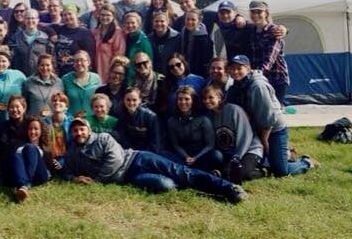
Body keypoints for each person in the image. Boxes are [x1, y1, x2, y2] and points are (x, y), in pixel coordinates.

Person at [63, 117, 248, 203]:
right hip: (129, 177)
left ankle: (229, 188)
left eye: (82, 129)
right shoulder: (72, 152)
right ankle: (210, 190)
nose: (79, 133)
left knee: (181, 172)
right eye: (75, 130)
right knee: (166, 185)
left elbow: (115, 160)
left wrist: (97, 181)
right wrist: (74, 178)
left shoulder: (103, 138)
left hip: (137, 159)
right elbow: (66, 169)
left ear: (89, 130)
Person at [225, 55, 317, 177]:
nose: (235, 71)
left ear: (248, 68)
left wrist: (264, 142)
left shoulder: (258, 86)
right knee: (264, 162)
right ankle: (286, 154)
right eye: (232, 68)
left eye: (239, 68)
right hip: (255, 129)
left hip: (273, 129)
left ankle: (306, 162)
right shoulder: (235, 86)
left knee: (281, 171)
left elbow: (268, 120)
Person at [202, 85, 267, 182]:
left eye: (211, 97)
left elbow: (245, 136)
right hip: (232, 154)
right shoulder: (209, 117)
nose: (207, 101)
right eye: (204, 98)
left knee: (240, 174)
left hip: (249, 150)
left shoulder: (234, 110)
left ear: (219, 98)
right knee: (231, 173)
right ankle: (223, 172)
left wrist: (237, 157)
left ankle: (265, 171)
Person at [165, 86, 220, 172]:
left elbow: (210, 145)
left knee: (217, 155)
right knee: (164, 154)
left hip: (201, 156)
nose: (183, 102)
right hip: (183, 157)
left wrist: (195, 158)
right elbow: (176, 145)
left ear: (193, 101)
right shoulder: (172, 121)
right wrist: (186, 157)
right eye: (180, 99)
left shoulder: (203, 119)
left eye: (187, 99)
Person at [248, 0, 290, 105]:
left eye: (259, 12)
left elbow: (270, 59)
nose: (256, 15)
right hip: (259, 78)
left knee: (274, 110)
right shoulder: (251, 30)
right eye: (253, 12)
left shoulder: (274, 31)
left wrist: (255, 74)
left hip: (276, 78)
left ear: (266, 13)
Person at [10, 117, 53, 202]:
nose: (33, 132)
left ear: (41, 131)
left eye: (36, 129)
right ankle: (23, 187)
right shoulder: (17, 144)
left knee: (30, 148)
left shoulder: (46, 149)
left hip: (39, 176)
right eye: (30, 129)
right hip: (20, 174)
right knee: (16, 155)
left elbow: (48, 168)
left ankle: (25, 185)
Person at [113, 87, 162, 154]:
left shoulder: (150, 116)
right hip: (130, 151)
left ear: (140, 100)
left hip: (148, 152)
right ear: (124, 100)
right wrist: (130, 150)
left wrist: (145, 154)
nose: (131, 103)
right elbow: (121, 135)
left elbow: (156, 141)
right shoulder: (122, 115)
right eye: (128, 100)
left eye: (134, 100)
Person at [53, 3, 96, 77]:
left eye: (70, 14)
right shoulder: (60, 29)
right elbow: (43, 26)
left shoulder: (85, 33)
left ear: (76, 15)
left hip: (77, 72)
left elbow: (90, 56)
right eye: (64, 15)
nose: (67, 17)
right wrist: (52, 33)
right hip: (61, 72)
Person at [9, 9, 54, 77]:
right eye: (28, 18)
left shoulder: (45, 38)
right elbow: (10, 58)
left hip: (39, 77)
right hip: (19, 76)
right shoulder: (15, 38)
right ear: (24, 20)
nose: (30, 21)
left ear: (38, 20)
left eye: (33, 18)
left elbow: (52, 60)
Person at [0, 95, 29, 179]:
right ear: (8, 109)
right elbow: (3, 147)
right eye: (11, 107)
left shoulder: (30, 124)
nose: (14, 110)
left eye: (17, 107)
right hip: (12, 160)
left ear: (24, 108)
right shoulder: (4, 126)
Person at [158, 53, 205, 118]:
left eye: (178, 64)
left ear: (184, 63)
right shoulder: (167, 83)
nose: (175, 68)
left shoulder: (198, 80)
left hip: (197, 118)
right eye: (171, 67)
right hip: (176, 120)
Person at [61, 50, 101, 118]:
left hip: (92, 119)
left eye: (82, 60)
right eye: (76, 61)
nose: (79, 63)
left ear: (88, 62)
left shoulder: (96, 78)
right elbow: (62, 100)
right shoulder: (66, 79)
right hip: (72, 120)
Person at [92, 3, 126, 83]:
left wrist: (113, 73)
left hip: (109, 73)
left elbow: (119, 56)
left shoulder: (118, 33)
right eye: (102, 15)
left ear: (113, 16)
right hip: (95, 71)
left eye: (108, 15)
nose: (104, 17)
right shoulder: (95, 32)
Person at [178, 9, 214, 77]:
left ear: (199, 21)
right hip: (183, 72)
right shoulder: (182, 34)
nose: (189, 22)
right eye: (187, 19)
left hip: (197, 75)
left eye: (193, 19)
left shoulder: (205, 39)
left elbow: (206, 62)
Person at [123, 11, 153, 84]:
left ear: (139, 24)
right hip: (127, 77)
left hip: (139, 79)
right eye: (127, 23)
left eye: (133, 23)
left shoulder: (144, 41)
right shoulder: (126, 38)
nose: (130, 25)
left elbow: (149, 63)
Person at [148, 11, 180, 76]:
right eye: (156, 21)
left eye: (162, 21)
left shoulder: (177, 37)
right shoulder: (148, 39)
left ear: (168, 22)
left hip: (173, 73)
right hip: (156, 75)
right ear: (153, 23)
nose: (159, 23)